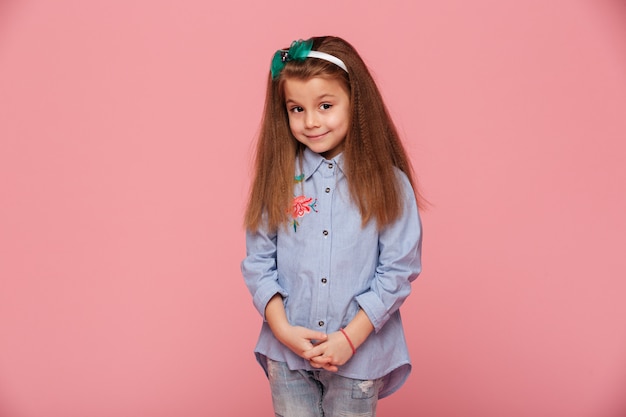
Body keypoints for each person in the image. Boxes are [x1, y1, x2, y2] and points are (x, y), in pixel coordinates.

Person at [241, 36, 423, 417]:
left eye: (325, 105)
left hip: (357, 360)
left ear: (355, 102)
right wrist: (282, 329)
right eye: (296, 109)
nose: (310, 121)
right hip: (288, 357)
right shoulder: (278, 178)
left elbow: (398, 269)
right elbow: (259, 261)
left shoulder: (388, 184)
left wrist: (348, 339)